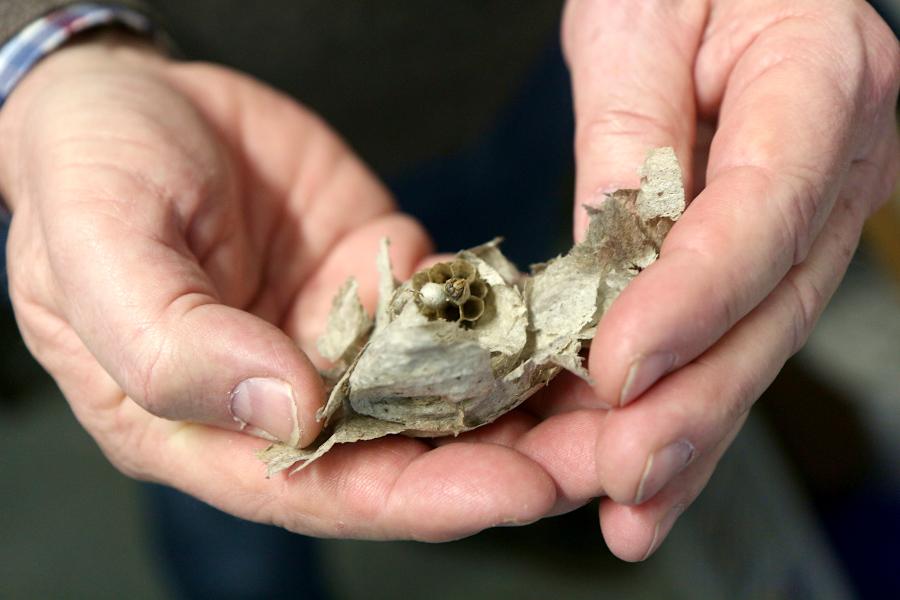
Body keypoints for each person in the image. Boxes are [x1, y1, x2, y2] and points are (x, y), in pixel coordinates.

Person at [0, 0, 897, 567]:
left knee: (552, 233)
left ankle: (529, 518)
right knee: (218, 458)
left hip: (540, 63)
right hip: (219, 158)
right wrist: (44, 53)